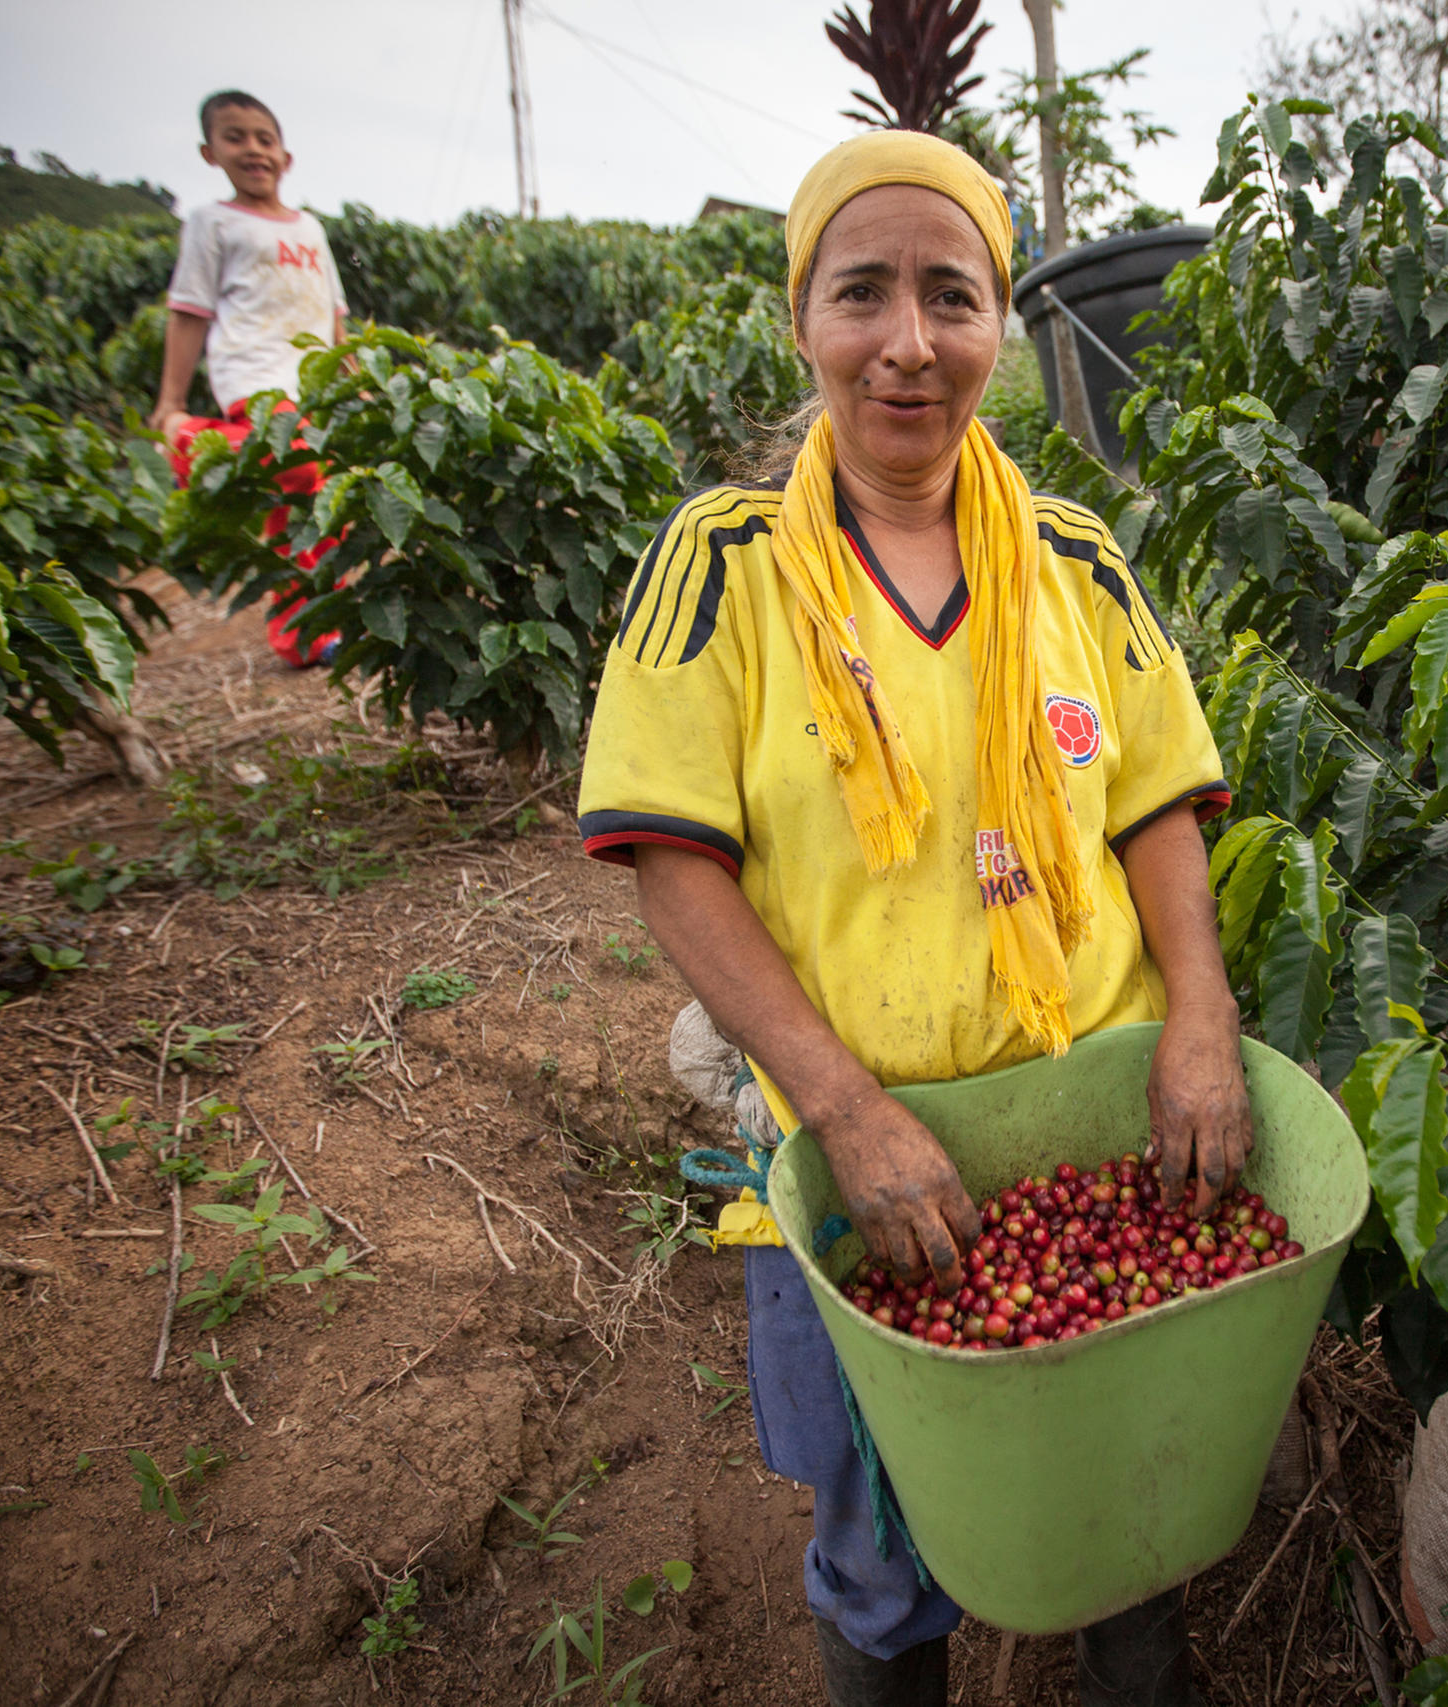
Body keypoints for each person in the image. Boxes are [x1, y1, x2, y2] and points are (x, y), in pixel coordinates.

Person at [576, 131, 1247, 1707]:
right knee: (884, 1538)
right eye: (860, 290)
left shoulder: (1075, 559)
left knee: (1126, 1499)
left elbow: (1156, 804)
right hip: (868, 1135)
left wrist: (1203, 1021)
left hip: (1094, 1113)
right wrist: (847, 1110)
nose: (907, 342)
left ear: (998, 328)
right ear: (800, 314)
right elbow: (677, 859)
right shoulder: (725, 566)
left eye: (951, 296)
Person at [151, 89, 346, 668]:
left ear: (286, 156)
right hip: (256, 384)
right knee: (305, 473)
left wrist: (356, 381)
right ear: (209, 152)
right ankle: (192, 439)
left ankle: (306, 636)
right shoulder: (212, 223)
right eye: (235, 137)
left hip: (312, 386)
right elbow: (189, 310)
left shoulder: (310, 227)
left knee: (312, 514)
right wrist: (170, 402)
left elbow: (334, 314)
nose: (253, 149)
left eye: (265, 139)